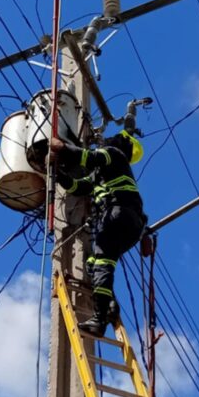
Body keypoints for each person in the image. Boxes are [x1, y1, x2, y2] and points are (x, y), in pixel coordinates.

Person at [50, 123, 146, 336]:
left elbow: (87, 158)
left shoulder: (113, 154)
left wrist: (62, 148)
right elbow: (78, 187)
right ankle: (109, 303)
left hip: (116, 215)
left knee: (102, 261)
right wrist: (60, 174)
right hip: (129, 224)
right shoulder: (102, 173)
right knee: (95, 263)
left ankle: (99, 319)